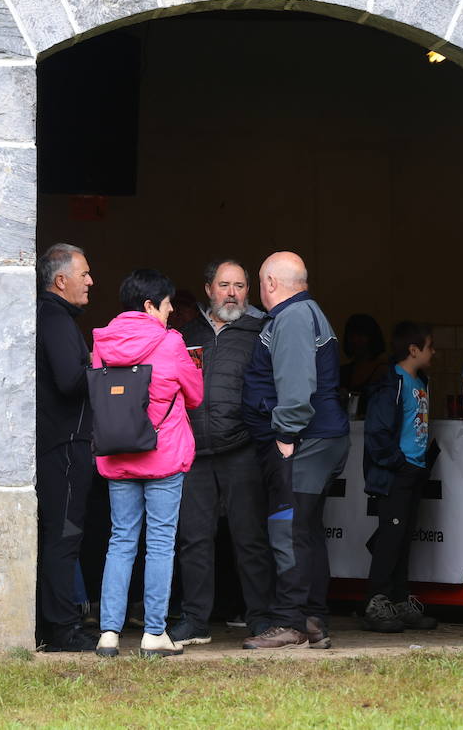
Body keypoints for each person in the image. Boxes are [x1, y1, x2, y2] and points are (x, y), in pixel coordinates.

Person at [90, 268, 203, 658]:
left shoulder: (103, 341)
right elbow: (195, 394)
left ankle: (108, 633)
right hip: (163, 455)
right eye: (169, 304)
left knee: (120, 541)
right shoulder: (171, 343)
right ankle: (154, 633)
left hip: (118, 452)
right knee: (160, 544)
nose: (172, 311)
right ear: (151, 305)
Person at [241, 251, 350, 650]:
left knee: (286, 528)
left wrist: (285, 435)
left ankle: (290, 623)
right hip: (322, 438)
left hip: (305, 441)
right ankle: (312, 618)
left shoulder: (291, 318)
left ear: (270, 283)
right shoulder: (309, 312)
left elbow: (296, 383)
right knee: (306, 531)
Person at [171, 259, 274, 646]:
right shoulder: (187, 333)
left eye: (240, 286)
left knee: (250, 538)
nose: (232, 293)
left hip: (242, 449)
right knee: (194, 539)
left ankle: (260, 618)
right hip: (194, 452)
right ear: (209, 289)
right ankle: (196, 620)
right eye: (224, 285)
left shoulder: (261, 330)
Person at [36, 243, 99, 652]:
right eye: (85, 274)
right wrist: (102, 364)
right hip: (64, 447)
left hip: (57, 444)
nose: (91, 281)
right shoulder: (56, 319)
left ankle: (53, 625)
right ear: (61, 281)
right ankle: (62, 630)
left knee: (58, 537)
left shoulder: (49, 315)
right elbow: (69, 381)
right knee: (64, 537)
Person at [359, 320, 440, 633]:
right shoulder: (391, 382)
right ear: (413, 349)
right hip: (397, 473)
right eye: (430, 346)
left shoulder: (422, 381)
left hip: (414, 472)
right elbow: (377, 432)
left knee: (404, 539)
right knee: (389, 538)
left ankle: (399, 599)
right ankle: (375, 601)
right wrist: (398, 463)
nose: (434, 352)